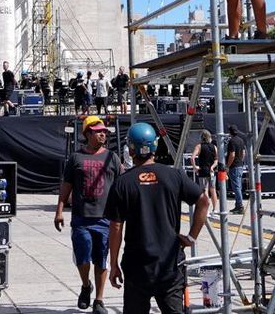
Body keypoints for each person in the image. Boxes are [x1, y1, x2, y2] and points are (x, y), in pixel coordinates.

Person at [106, 121, 208, 314]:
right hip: (169, 264)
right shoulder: (173, 176)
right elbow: (204, 201)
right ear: (155, 146)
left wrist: (113, 265)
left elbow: (116, 227)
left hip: (137, 267)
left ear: (131, 149)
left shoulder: (123, 183)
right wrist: (191, 237)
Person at [55, 117, 124, 313]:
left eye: (104, 131)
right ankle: (86, 286)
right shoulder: (76, 158)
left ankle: (99, 301)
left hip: (105, 218)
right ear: (87, 134)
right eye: (98, 131)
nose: (103, 134)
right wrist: (59, 211)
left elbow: (122, 185)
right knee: (83, 257)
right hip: (81, 218)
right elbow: (66, 186)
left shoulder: (112, 158)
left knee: (101, 259)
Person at [224, 124, 248, 215]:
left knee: (236, 187)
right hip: (240, 165)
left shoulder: (232, 141)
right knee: (239, 186)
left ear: (230, 132)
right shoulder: (241, 140)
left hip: (234, 166)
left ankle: (240, 206)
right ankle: (238, 204)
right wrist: (240, 161)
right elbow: (243, 153)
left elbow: (232, 155)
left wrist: (227, 166)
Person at [191, 131, 219, 207]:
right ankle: (215, 209)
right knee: (213, 189)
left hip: (203, 170)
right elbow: (216, 160)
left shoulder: (199, 146)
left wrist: (195, 167)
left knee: (204, 190)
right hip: (212, 171)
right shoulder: (214, 147)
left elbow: (192, 158)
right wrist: (212, 167)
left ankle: (206, 209)